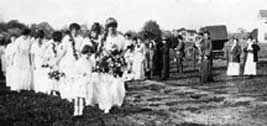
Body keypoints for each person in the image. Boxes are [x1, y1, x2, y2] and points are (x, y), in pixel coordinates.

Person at [72, 45, 95, 116]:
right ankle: (76, 110)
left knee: (82, 96)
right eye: (87, 54)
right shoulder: (79, 62)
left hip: (85, 81)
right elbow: (75, 71)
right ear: (83, 53)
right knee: (77, 97)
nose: (88, 56)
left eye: (90, 55)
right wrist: (81, 74)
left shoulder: (90, 62)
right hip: (79, 80)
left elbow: (91, 71)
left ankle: (81, 111)